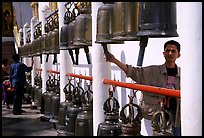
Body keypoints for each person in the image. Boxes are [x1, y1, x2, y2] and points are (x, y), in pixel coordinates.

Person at [105, 40, 181, 136]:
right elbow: (133, 72)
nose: (170, 53)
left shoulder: (183, 74)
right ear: (163, 53)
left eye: (173, 51)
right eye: (167, 50)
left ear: (178, 55)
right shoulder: (153, 72)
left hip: (176, 116)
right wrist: (114, 61)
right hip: (157, 115)